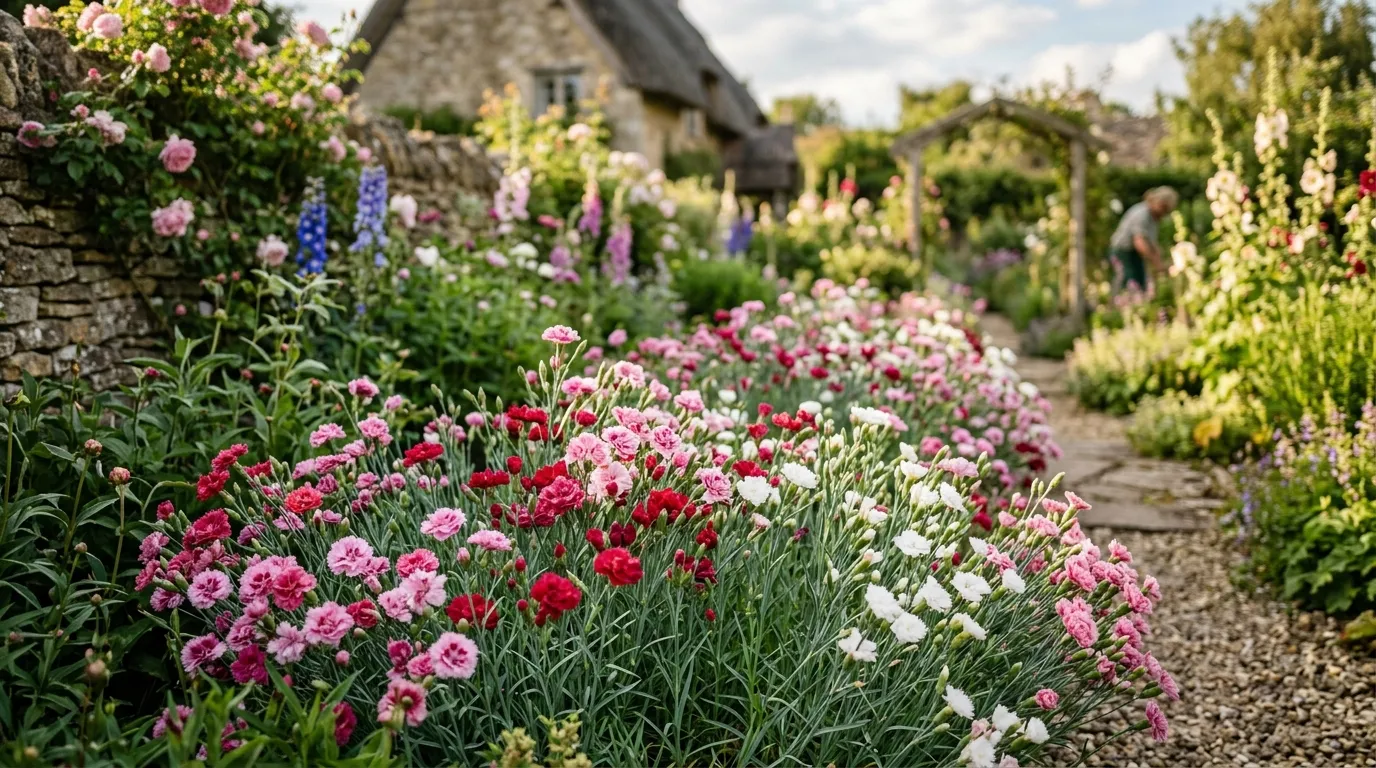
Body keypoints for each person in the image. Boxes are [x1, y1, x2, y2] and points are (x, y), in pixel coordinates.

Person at [1108, 186, 1178, 292]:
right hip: (1123, 252)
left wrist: (1160, 260)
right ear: (1160, 203)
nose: (1164, 215)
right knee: (1129, 285)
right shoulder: (1142, 214)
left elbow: (1152, 243)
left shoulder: (1153, 217)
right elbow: (1139, 242)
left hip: (1133, 253)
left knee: (1140, 284)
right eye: (1164, 209)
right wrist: (1156, 263)